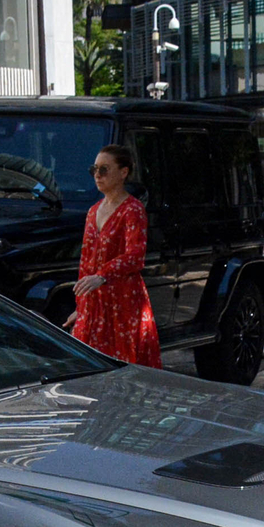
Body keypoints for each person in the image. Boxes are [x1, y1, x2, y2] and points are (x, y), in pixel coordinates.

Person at [70, 142, 159, 367]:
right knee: (88, 365)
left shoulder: (133, 209)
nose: (97, 175)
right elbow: (86, 262)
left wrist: (102, 275)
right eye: (94, 169)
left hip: (123, 301)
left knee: (123, 364)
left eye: (104, 169)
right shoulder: (93, 211)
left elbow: (136, 255)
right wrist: (80, 307)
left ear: (123, 172)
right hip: (95, 303)